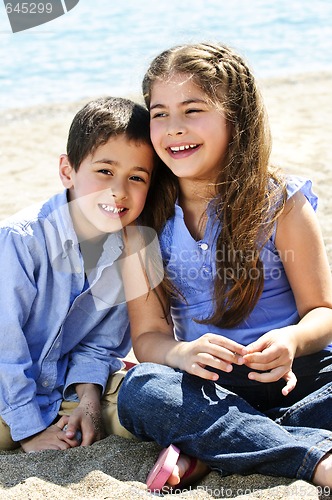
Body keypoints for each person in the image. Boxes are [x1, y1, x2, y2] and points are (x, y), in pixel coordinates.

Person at [117, 43, 332, 493]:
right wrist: (179, 354)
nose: (174, 129)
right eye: (159, 114)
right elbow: (149, 336)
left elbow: (323, 311)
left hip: (297, 376)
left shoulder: (282, 203)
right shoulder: (141, 225)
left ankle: (214, 447)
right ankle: (314, 458)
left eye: (192, 110)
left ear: (235, 117)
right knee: (142, 392)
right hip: (208, 386)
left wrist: (291, 339)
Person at [0, 96, 160, 453]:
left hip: (61, 388)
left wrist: (88, 405)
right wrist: (30, 433)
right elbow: (5, 347)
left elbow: (98, 345)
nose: (119, 191)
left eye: (136, 177)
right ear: (67, 170)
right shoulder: (20, 240)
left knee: (140, 414)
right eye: (105, 171)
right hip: (5, 387)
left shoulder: (131, 251)